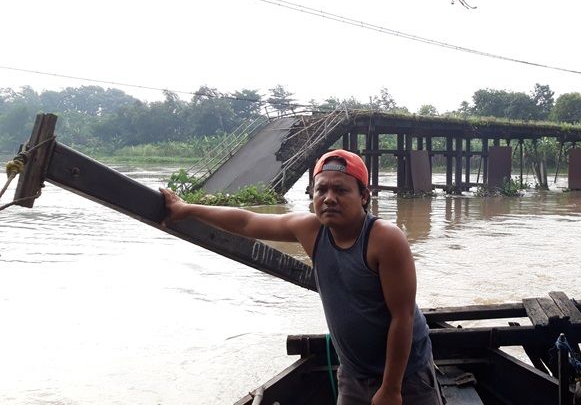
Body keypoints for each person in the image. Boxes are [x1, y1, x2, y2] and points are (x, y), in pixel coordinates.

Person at [160, 149, 442, 405]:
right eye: (322, 190)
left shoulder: (384, 239)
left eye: (341, 190)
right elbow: (246, 222)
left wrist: (391, 388)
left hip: (406, 375)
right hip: (353, 374)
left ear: (364, 197)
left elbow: (401, 317)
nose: (329, 198)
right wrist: (187, 209)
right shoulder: (310, 229)